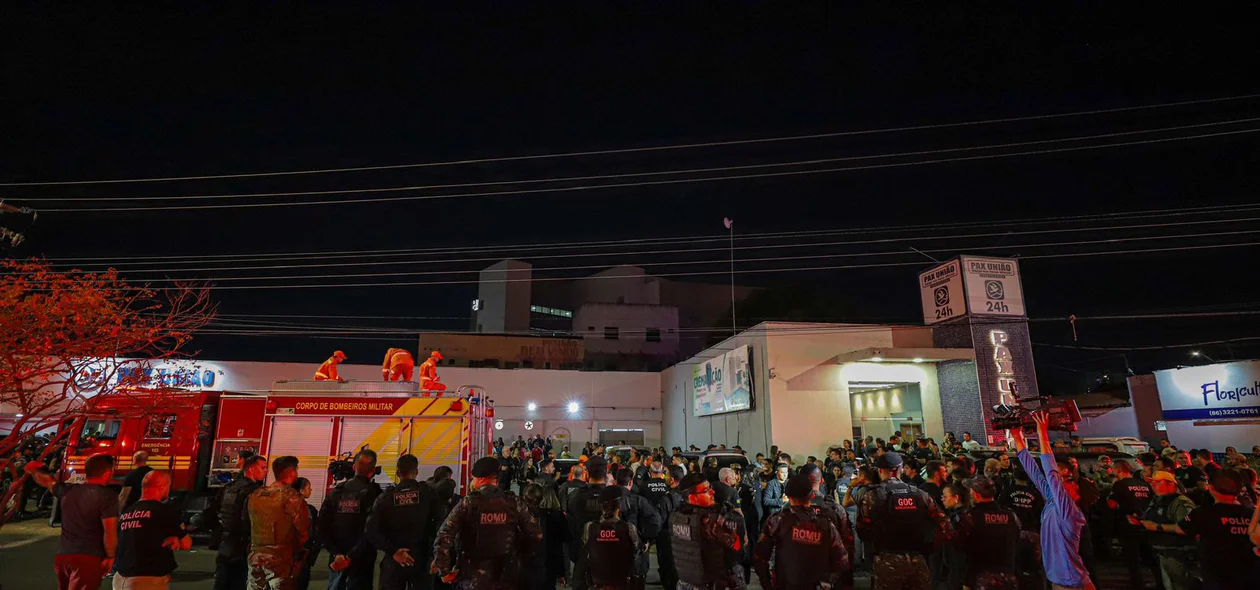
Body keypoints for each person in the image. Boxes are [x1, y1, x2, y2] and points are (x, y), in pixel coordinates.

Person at [432, 456, 543, 589]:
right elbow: (536, 534)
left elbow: (444, 535)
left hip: (472, 578)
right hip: (505, 577)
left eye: (473, 478)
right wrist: (517, 556)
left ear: (481, 479)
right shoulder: (514, 502)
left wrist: (443, 570)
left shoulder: (468, 503)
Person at [1011, 413, 1093, 590]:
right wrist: (1017, 436)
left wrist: (1042, 433)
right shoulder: (1052, 501)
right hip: (1065, 578)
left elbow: (1051, 473)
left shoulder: (1069, 511)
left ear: (1077, 494)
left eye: (1070, 480)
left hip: (1069, 581)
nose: (1064, 481)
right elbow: (1033, 471)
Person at [855, 451, 951, 590]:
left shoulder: (873, 496)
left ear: (880, 470)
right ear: (900, 469)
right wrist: (930, 546)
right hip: (918, 559)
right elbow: (944, 523)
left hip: (887, 560)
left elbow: (862, 529)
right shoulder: (920, 494)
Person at [24, 453, 119, 590]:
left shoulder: (67, 490)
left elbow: (47, 480)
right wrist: (111, 557)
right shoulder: (108, 496)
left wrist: (33, 469)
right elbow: (109, 531)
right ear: (107, 473)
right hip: (88, 558)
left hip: (63, 556)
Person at [752, 473, 850, 590]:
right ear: (811, 495)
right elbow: (842, 560)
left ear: (787, 496)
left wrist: (767, 585)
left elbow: (759, 557)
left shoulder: (777, 521)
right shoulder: (826, 525)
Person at [366, 454, 444, 590]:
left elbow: (371, 530)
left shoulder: (386, 497)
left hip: (394, 560)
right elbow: (441, 525)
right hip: (422, 557)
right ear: (417, 472)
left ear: (397, 473)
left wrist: (394, 551)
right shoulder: (428, 494)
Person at [1175, 468, 1260, 590]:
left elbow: (1181, 528)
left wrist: (1156, 526)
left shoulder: (1203, 513)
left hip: (1218, 577)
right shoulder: (1252, 515)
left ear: (1211, 488)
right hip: (1250, 576)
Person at [112, 470, 192, 589]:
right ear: (161, 486)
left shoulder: (127, 512)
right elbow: (187, 543)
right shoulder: (164, 511)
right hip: (148, 578)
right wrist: (175, 539)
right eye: (168, 486)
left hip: (121, 577)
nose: (168, 490)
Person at [319, 450, 383, 590]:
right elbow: (372, 529)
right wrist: (351, 555)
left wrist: (337, 553)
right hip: (363, 558)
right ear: (372, 470)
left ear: (354, 467)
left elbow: (322, 525)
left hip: (337, 557)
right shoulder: (375, 494)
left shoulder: (336, 492)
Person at [669, 474, 745, 590]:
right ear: (692, 498)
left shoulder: (677, 517)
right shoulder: (710, 522)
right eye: (706, 490)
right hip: (711, 584)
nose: (712, 492)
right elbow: (737, 546)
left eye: (710, 488)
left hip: (686, 583)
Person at [247, 455, 311, 590]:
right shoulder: (292, 497)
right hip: (281, 560)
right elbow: (303, 531)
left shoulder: (256, 494)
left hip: (255, 556)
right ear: (292, 472)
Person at [953, 476, 1020, 590]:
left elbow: (957, 545)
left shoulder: (969, 517)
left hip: (977, 578)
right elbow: (1017, 537)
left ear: (976, 494)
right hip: (1007, 577)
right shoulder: (1011, 516)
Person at [214, 454, 268, 590]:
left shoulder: (228, 488)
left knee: (223, 583)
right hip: (245, 548)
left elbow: (211, 513)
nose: (266, 471)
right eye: (263, 468)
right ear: (251, 470)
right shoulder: (255, 492)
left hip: (226, 545)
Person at [1136, 470, 1196, 590]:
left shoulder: (1180, 502)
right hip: (1162, 553)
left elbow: (1187, 528)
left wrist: (1156, 526)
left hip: (1178, 555)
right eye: (1152, 483)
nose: (1153, 485)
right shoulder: (1158, 500)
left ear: (1171, 484)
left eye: (1158, 482)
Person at [1105, 459, 1154, 589]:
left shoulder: (1119, 485)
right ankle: (1160, 582)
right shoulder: (1143, 484)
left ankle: (1138, 585)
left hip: (1128, 525)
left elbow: (1111, 504)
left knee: (1133, 559)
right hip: (1146, 524)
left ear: (1118, 470)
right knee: (1150, 557)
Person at [583, 486, 642, 590]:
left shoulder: (589, 527)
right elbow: (637, 550)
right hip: (622, 582)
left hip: (597, 583)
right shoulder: (629, 528)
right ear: (619, 506)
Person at [568, 456, 613, 590]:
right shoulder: (615, 497)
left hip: (584, 554)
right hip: (610, 554)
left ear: (587, 473)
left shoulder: (576, 496)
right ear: (605, 474)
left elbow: (570, 525)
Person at [614, 469, 664, 585]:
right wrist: (646, 539)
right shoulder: (638, 500)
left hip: (611, 549)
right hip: (636, 551)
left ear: (616, 482)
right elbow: (656, 520)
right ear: (630, 483)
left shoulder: (607, 500)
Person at [639, 463, 681, 590]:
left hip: (659, 528)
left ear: (650, 471)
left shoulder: (644, 486)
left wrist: (647, 536)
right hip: (679, 532)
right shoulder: (682, 493)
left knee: (664, 560)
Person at [522, 483, 570, 590]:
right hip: (548, 567)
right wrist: (562, 572)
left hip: (527, 567)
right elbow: (559, 547)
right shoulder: (554, 517)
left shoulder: (522, 516)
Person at [292, 478, 321, 590]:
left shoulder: (309, 510)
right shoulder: (307, 510)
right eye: (308, 487)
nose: (311, 489)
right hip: (300, 555)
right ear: (301, 491)